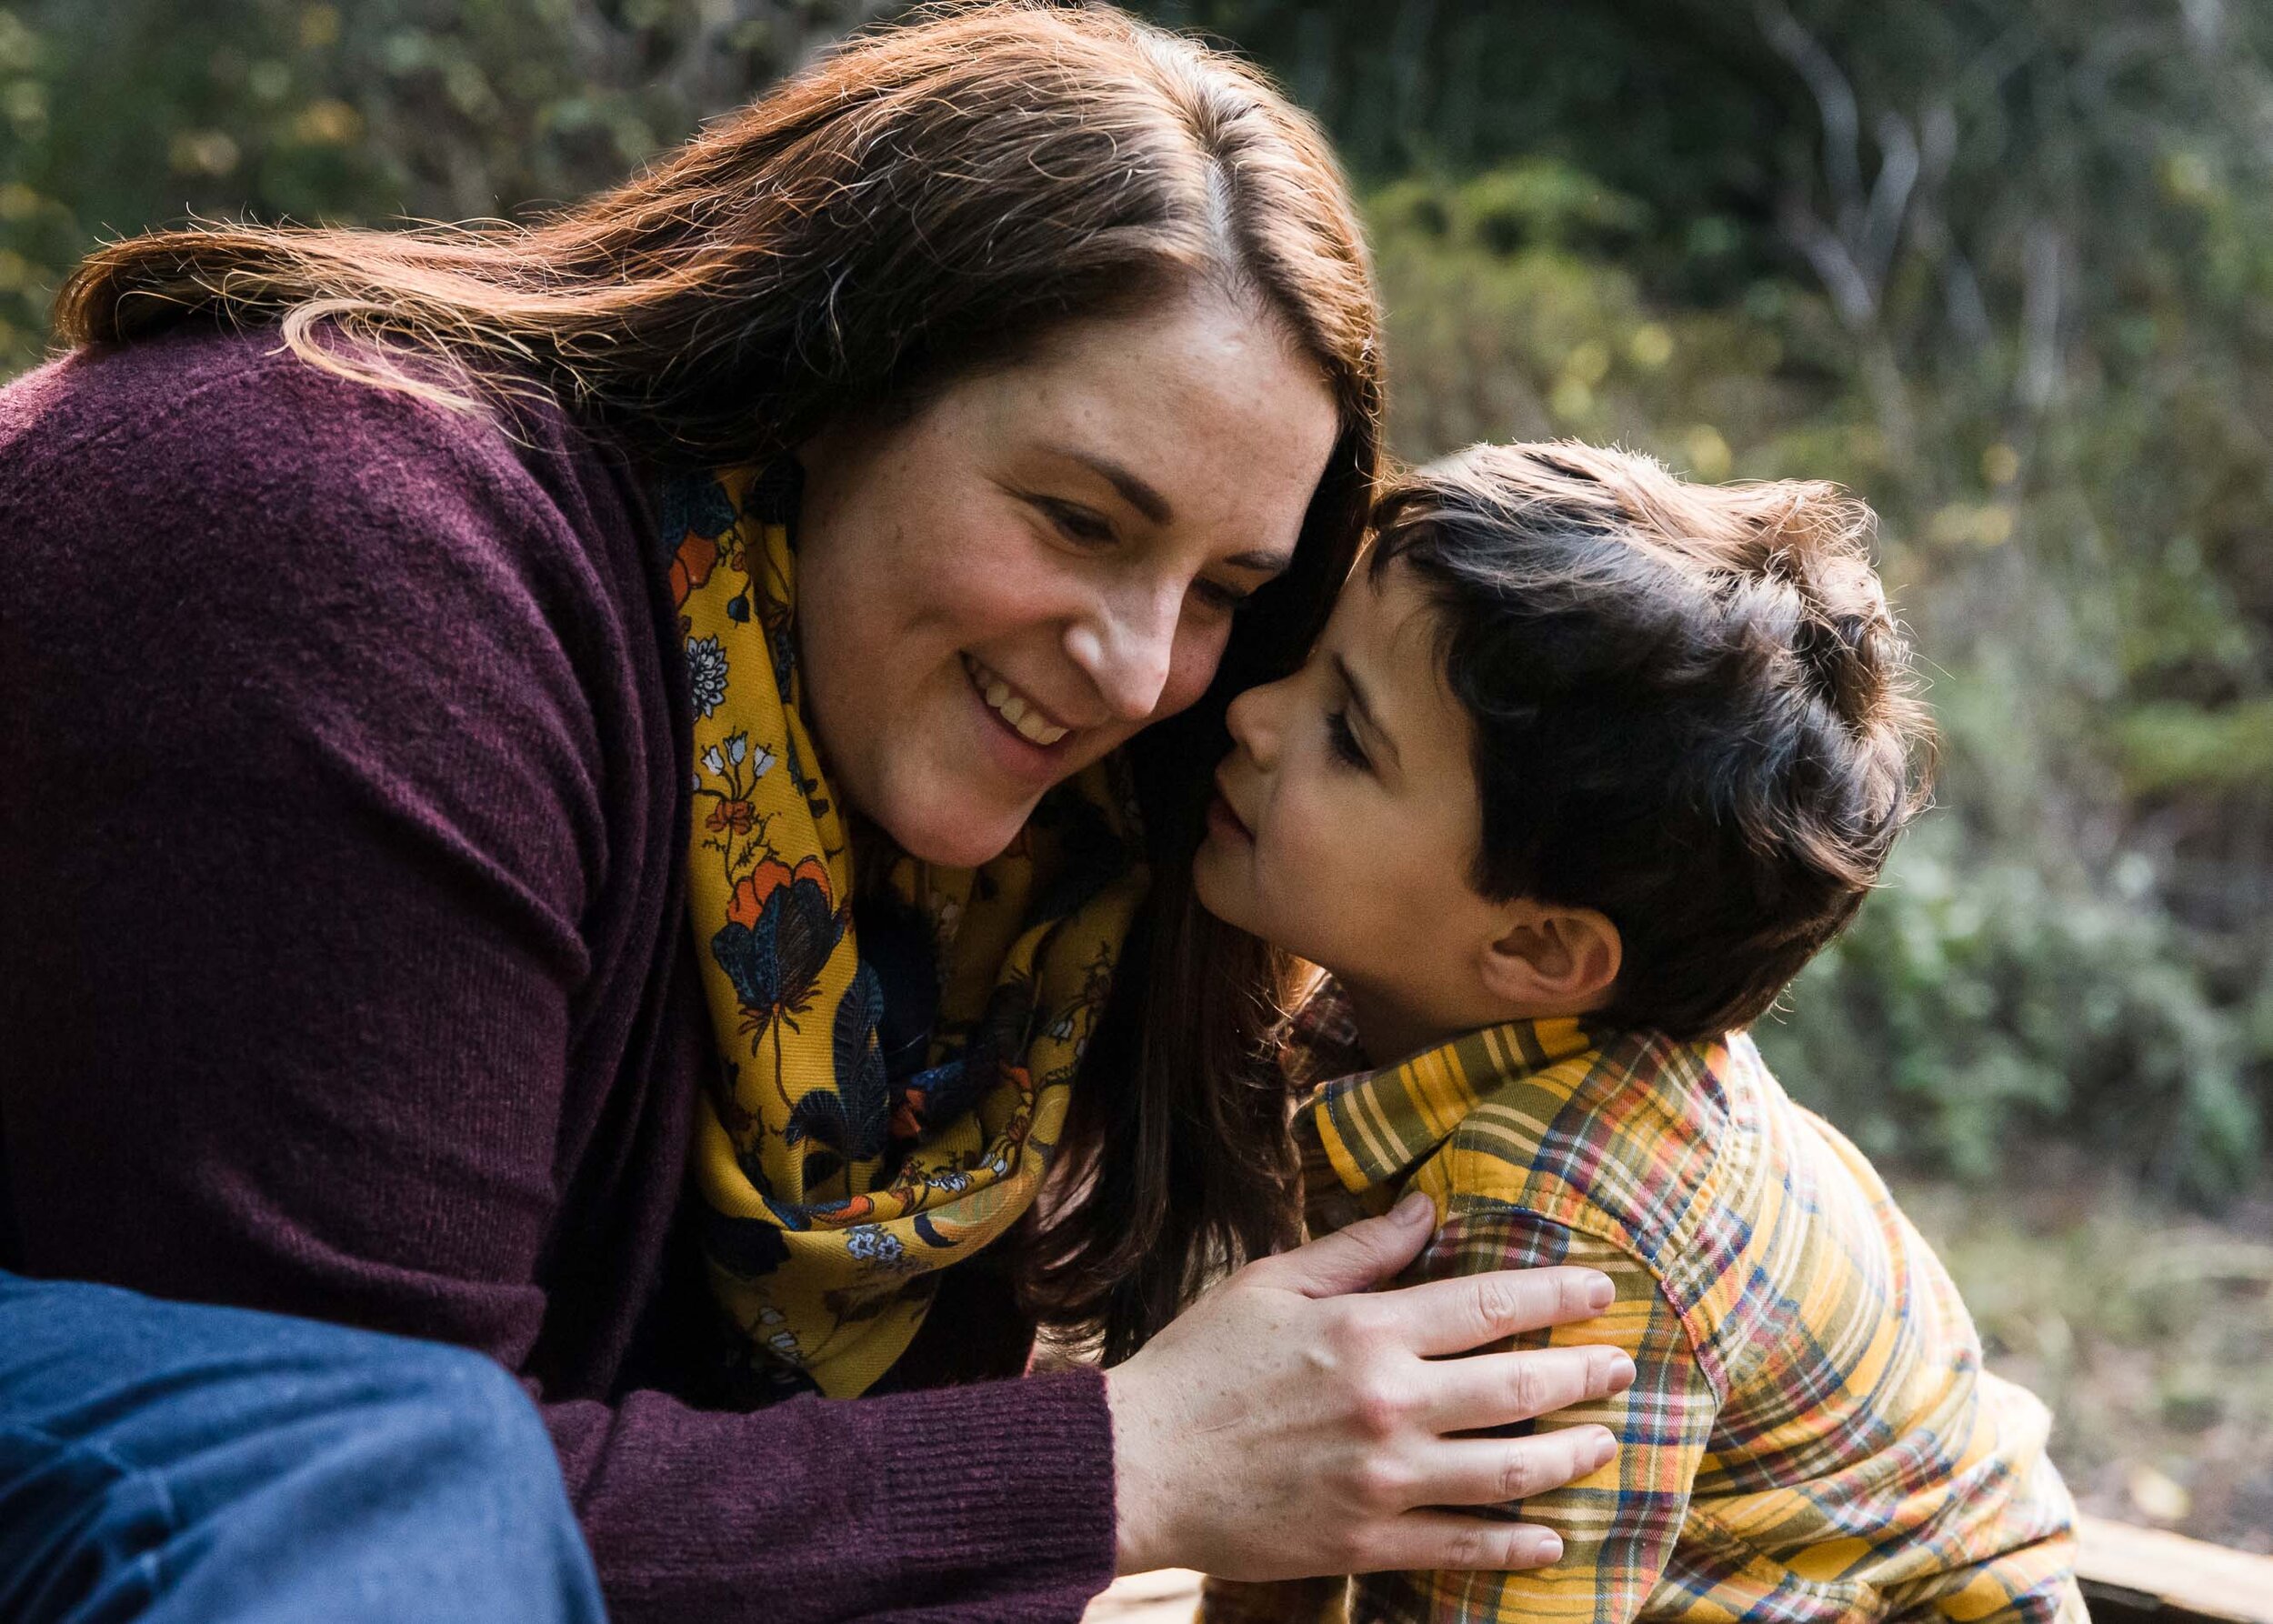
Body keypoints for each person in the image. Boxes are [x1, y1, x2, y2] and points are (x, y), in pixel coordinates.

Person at [0, 6, 1638, 1621]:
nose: (1144, 671)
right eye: (1076, 518)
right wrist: (1126, 1461)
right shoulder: (348, 559)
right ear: (828, 379)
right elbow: (352, 1507)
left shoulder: (981, 883)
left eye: (1222, 588)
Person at [1192, 443, 2087, 1622]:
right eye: (1309, 670)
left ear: (1540, 949)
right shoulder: (1409, 1019)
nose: (1252, 714)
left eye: (1349, 735)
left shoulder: (1569, 1223)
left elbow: (1500, 1596)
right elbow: (1307, 1456)